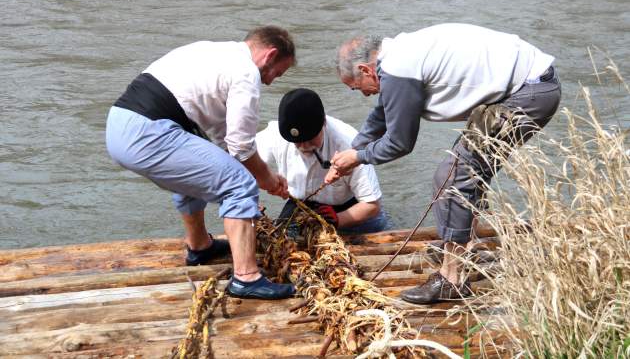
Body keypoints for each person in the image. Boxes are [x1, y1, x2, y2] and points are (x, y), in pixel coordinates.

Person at [327, 23, 561, 304]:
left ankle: (452, 280)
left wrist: (359, 157)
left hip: (529, 94)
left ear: (366, 70)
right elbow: (383, 114)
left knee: (452, 178)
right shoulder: (396, 57)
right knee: (465, 171)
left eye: (356, 88)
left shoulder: (398, 69)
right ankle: (468, 246)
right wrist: (352, 152)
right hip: (531, 86)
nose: (363, 94)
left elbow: (400, 143)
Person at [106, 26, 297, 300]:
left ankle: (199, 247)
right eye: (276, 73)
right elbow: (242, 146)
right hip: (147, 130)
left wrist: (254, 179)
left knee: (206, 167)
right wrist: (265, 179)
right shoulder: (246, 72)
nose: (270, 81)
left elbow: (223, 141)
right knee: (238, 185)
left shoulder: (214, 52)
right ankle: (246, 278)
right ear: (270, 55)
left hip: (120, 126)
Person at [256, 88, 393, 234]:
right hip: (301, 205)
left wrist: (337, 219)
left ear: (324, 124)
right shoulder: (274, 134)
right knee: (282, 242)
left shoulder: (349, 143)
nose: (304, 147)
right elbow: (243, 163)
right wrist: (258, 188)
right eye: (297, 142)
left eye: (310, 139)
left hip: (350, 208)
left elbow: (372, 204)